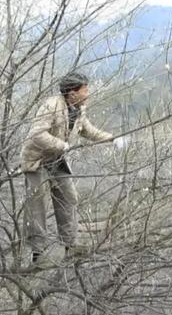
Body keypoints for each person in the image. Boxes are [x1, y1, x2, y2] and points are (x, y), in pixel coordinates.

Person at [20, 72, 121, 264]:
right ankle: (37, 253)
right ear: (72, 93)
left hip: (56, 161)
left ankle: (70, 244)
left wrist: (112, 139)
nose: (88, 93)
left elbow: (87, 130)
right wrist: (61, 145)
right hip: (37, 161)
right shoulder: (51, 106)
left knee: (69, 197)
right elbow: (36, 135)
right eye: (85, 89)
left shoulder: (78, 109)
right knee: (38, 205)